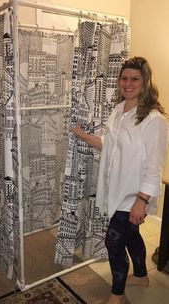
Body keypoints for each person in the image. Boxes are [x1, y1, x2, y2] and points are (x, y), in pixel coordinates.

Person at [71, 56, 168, 304]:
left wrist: (142, 201)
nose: (127, 83)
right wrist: (82, 135)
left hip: (133, 195)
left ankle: (117, 295)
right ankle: (143, 276)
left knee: (113, 243)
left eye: (134, 78)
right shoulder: (119, 110)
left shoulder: (154, 120)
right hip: (116, 188)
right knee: (131, 236)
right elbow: (108, 145)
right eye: (124, 78)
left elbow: (154, 166)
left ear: (145, 82)